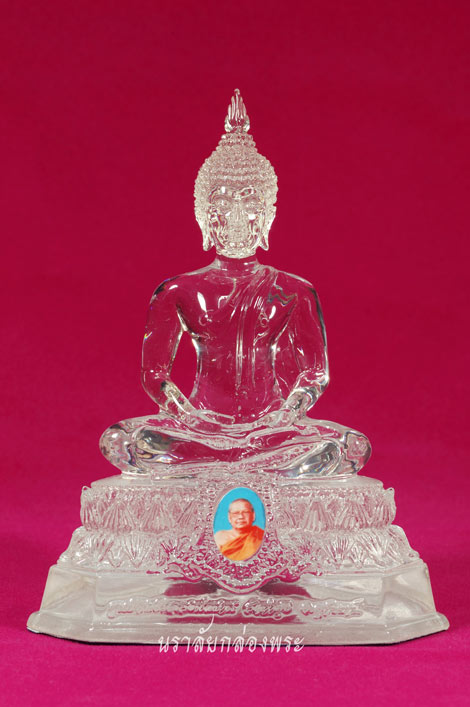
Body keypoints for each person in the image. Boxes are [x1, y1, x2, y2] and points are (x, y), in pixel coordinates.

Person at [100, 90, 371, 479]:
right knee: (122, 440)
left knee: (348, 446)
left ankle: (232, 461)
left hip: (272, 429)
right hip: (201, 427)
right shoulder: (178, 291)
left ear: (268, 215)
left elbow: (314, 373)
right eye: (223, 204)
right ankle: (243, 462)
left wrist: (284, 416)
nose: (238, 217)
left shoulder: (294, 291)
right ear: (204, 216)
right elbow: (154, 375)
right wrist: (190, 418)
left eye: (249, 203)